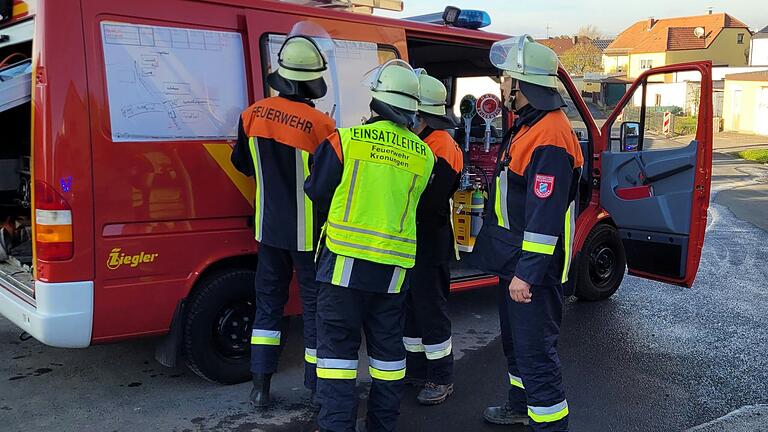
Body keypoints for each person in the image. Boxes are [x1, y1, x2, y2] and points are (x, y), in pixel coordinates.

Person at [304, 59, 435, 432]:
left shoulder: (344, 141)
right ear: (411, 107)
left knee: (338, 360)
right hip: (393, 273)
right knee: (388, 359)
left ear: (375, 100)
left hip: (343, 266)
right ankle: (382, 425)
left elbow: (316, 191)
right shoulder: (424, 155)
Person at [473, 35, 584, 431]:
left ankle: (549, 425)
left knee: (536, 356)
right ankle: (520, 407)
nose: (501, 87)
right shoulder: (531, 126)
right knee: (516, 348)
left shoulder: (550, 136)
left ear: (521, 85)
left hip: (532, 272)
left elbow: (545, 215)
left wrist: (527, 274)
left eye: (505, 80)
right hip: (515, 263)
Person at [230, 35, 336, 408]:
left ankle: (260, 387)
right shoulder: (321, 125)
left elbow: (241, 164)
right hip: (308, 236)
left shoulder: (251, 114)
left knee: (268, 307)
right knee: (314, 309)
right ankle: (315, 387)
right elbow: (328, 183)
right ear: (310, 82)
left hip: (267, 230)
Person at [403, 70, 463, 405]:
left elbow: (429, 204)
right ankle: (415, 370)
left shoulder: (440, 146)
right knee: (411, 308)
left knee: (430, 308)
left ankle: (440, 377)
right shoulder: (425, 141)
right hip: (413, 238)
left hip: (429, 239)